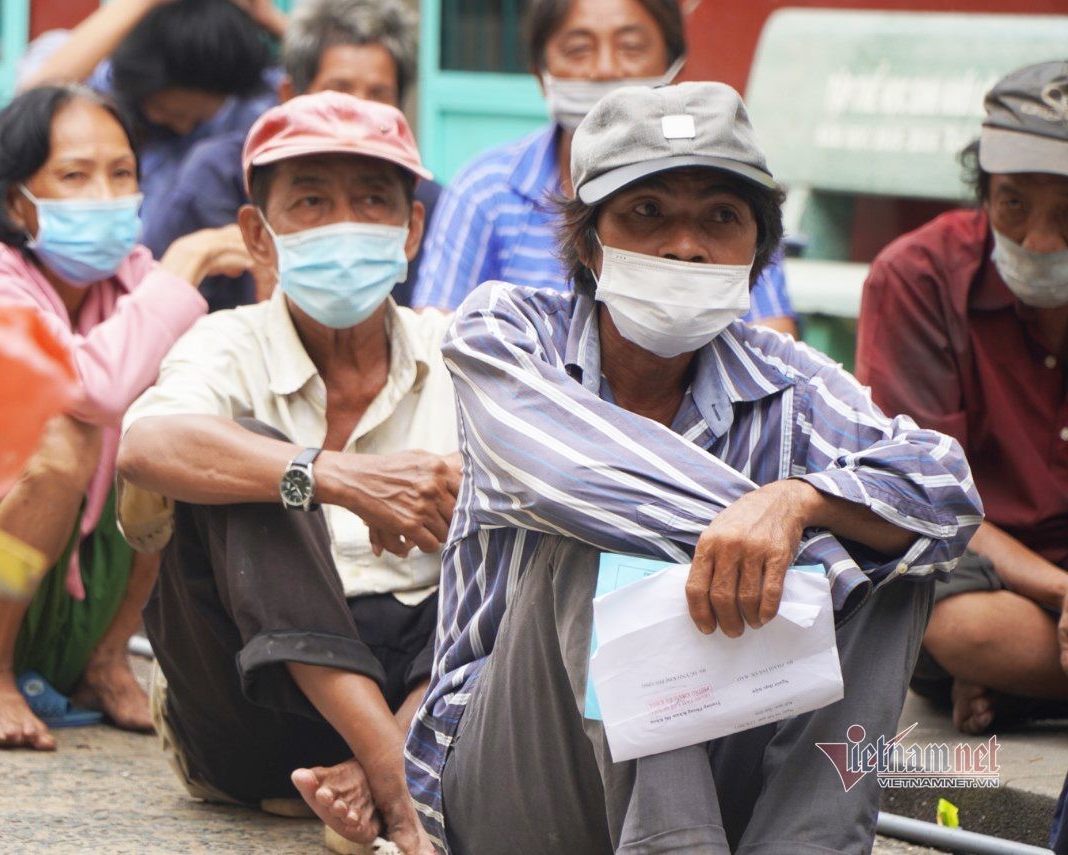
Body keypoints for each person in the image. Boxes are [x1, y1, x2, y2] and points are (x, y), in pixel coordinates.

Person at [406, 82, 982, 853]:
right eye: (647, 213)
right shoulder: (507, 331)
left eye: (721, 217)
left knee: (893, 541)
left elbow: (944, 489)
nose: (686, 245)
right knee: (608, 531)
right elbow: (578, 479)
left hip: (724, 747)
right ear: (589, 242)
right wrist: (775, 524)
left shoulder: (791, 380)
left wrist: (798, 501)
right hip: (521, 774)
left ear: (756, 247)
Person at [117, 92, 453, 855]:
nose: (345, 224)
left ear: (412, 232)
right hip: (247, 716)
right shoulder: (225, 343)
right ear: (258, 239)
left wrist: (473, 475)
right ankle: (404, 784)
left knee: (519, 493)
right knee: (247, 460)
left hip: (429, 693)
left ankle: (380, 762)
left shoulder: (463, 351)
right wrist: (334, 476)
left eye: (373, 201)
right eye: (311, 201)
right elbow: (147, 445)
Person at [0, 85, 243, 750]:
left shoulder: (132, 279)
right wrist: (190, 262)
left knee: (171, 426)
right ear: (18, 202)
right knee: (67, 432)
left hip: (63, 611)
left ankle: (104, 661)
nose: (105, 193)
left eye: (121, 172)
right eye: (74, 174)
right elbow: (92, 387)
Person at [856, 61, 1068, 735]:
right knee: (949, 621)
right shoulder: (918, 278)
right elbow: (925, 499)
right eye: (1012, 204)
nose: (1039, 239)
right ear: (983, 189)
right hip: (982, 571)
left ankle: (1026, 692)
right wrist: (1060, 589)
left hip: (1035, 624)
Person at [411, 0, 797, 336]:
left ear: (675, 64)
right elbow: (437, 334)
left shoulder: (731, 184)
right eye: (579, 50)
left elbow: (771, 338)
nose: (606, 70)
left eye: (631, 47)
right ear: (540, 73)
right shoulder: (486, 189)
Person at [141, 0, 443, 312]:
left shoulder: (425, 196)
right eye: (338, 91)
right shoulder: (217, 176)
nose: (358, 111)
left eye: (379, 94)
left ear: (412, 228)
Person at [17, 0, 277, 226]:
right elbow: (30, 103)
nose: (184, 127)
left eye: (198, 118)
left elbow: (311, 91)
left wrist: (273, 21)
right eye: (169, 111)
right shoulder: (95, 75)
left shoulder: (242, 103)